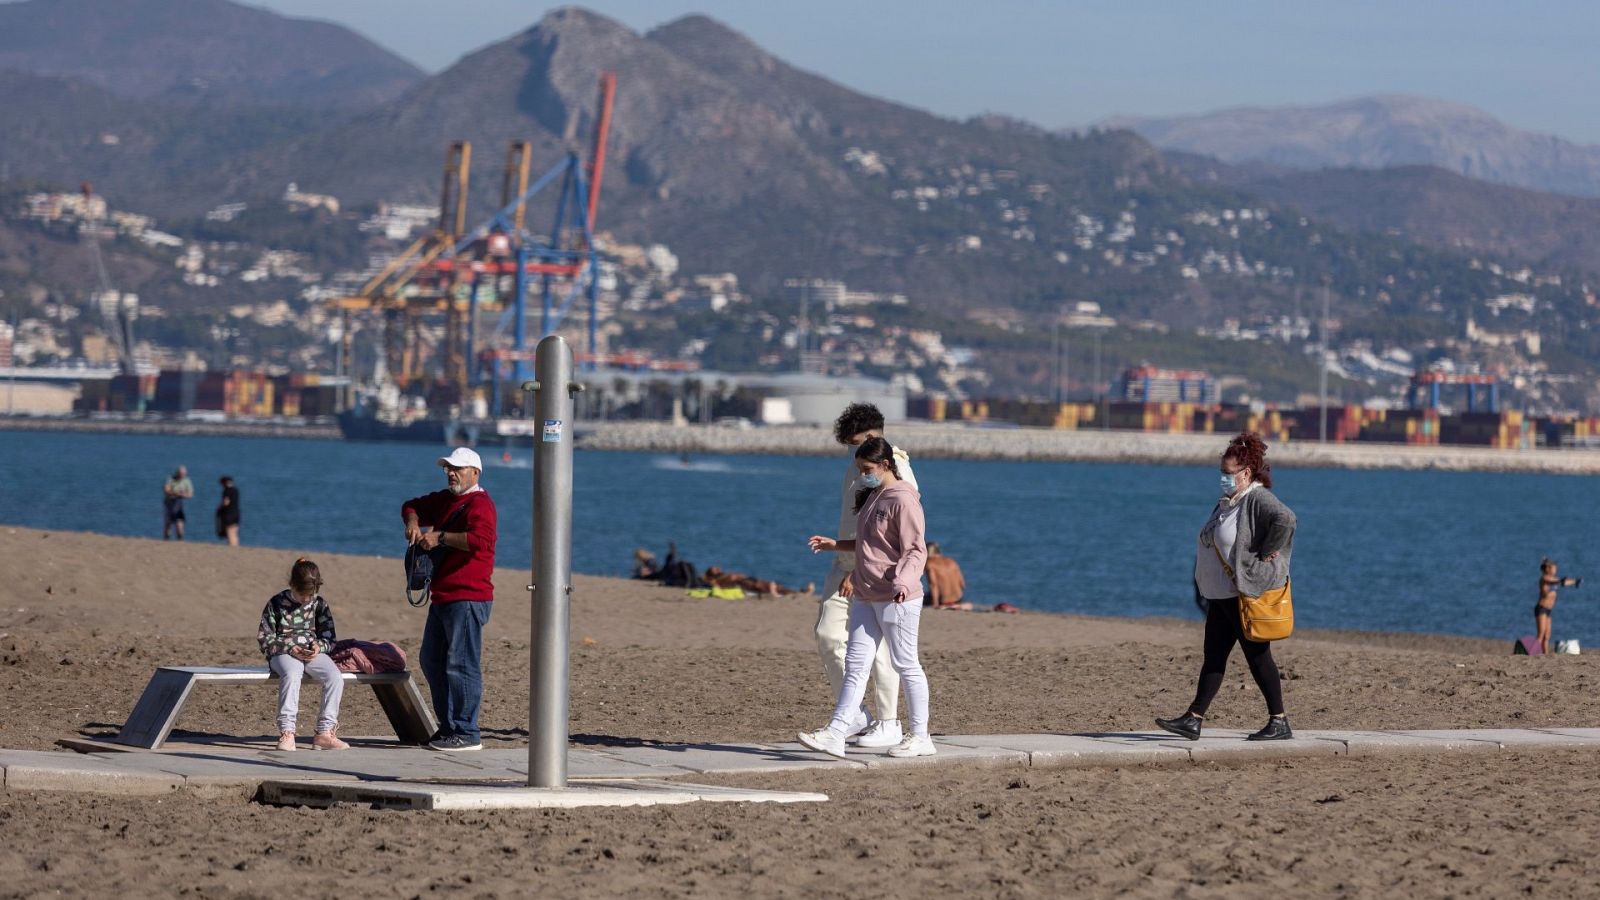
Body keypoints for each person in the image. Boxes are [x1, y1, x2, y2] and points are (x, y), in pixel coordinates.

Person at [800, 436, 935, 759]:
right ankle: (835, 732)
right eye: (860, 469)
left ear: (886, 465)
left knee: (906, 664)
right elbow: (870, 543)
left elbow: (916, 549)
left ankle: (920, 736)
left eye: (868, 468)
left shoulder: (904, 499)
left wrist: (902, 582)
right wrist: (837, 545)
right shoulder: (876, 495)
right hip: (865, 592)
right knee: (856, 665)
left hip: (896, 597)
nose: (863, 474)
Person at [1157, 432, 1297, 742]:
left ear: (1246, 473)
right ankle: (1193, 718)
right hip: (1221, 595)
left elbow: (1286, 520)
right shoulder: (1228, 502)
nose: (1223, 478)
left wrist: (1264, 551)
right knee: (1214, 655)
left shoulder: (1257, 498)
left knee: (1258, 657)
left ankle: (1279, 721)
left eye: (1228, 473)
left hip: (1241, 595)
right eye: (1221, 472)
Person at [402, 447, 499, 752]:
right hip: (443, 595)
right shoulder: (447, 499)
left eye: (457, 468)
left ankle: (467, 731)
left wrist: (441, 537)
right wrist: (413, 524)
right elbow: (411, 505)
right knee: (431, 660)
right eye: (448, 468)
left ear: (475, 473)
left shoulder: (481, 505)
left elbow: (481, 541)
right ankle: (448, 727)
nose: (451, 473)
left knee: (461, 663)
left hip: (468, 596)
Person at [257, 558, 348, 751]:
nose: (306, 599)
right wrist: (290, 647)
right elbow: (265, 639)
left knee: (335, 677)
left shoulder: (319, 604)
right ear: (291, 585)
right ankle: (287, 732)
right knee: (292, 673)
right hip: (282, 653)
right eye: (301, 594)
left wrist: (318, 647)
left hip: (310, 653)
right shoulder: (276, 603)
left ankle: (325, 732)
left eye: (310, 594)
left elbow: (329, 638)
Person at [1536, 558, 1582, 654]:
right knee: (1541, 635)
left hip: (1549, 610)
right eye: (1554, 568)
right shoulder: (1544, 578)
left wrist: (1575, 581)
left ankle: (1545, 654)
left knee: (1547, 636)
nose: (1555, 570)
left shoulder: (1555, 579)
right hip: (1541, 609)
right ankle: (1533, 653)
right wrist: (1561, 580)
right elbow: (1553, 581)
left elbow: (1563, 582)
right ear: (1548, 569)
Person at [702, 565, 813, 596]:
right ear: (712, 574)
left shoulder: (723, 576)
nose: (718, 568)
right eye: (715, 569)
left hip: (746, 580)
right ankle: (771, 590)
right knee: (765, 585)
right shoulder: (717, 581)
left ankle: (802, 592)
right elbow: (713, 586)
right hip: (743, 584)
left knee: (779, 587)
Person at [925, 543, 970, 609]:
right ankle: (955, 605)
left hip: (943, 600)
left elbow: (933, 584)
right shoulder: (952, 561)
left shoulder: (930, 564)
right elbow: (963, 584)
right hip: (958, 599)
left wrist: (935, 603)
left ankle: (946, 605)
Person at [162, 465, 193, 540]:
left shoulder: (187, 481)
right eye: (181, 473)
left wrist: (183, 495)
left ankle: (180, 540)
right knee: (168, 523)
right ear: (177, 473)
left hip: (179, 503)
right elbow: (166, 490)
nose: (183, 475)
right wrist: (175, 493)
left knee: (180, 522)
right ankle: (166, 540)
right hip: (169, 503)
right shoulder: (170, 479)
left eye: (184, 474)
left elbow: (190, 494)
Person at [216, 476, 241, 546]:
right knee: (235, 533)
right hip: (237, 513)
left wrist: (219, 508)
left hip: (229, 514)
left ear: (224, 483)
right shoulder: (236, 490)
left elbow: (226, 502)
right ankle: (236, 547)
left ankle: (231, 548)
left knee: (229, 532)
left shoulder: (226, 491)